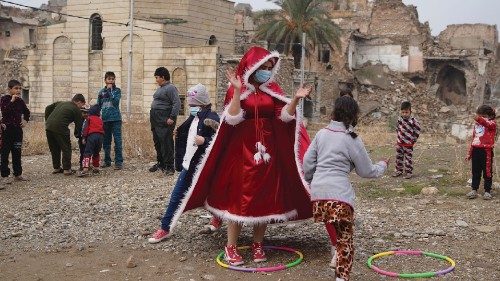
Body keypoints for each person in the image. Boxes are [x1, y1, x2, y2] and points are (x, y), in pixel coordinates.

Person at [165, 46, 313, 266]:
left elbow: (284, 117)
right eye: (264, 67)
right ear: (253, 67)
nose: (268, 71)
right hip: (242, 152)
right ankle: (231, 247)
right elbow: (232, 118)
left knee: (265, 198)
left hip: (267, 153)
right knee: (238, 198)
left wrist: (295, 100)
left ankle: (257, 244)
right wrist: (235, 91)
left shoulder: (271, 88)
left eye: (270, 68)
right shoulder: (237, 88)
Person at [303, 96, 388, 281]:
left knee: (334, 227)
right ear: (353, 115)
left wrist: (312, 181)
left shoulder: (321, 134)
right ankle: (341, 277)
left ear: (335, 111)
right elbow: (366, 171)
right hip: (340, 197)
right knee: (345, 240)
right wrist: (382, 165)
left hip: (318, 195)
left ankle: (336, 258)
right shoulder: (352, 139)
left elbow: (307, 164)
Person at [148, 83, 220, 243]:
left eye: (193, 105)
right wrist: (180, 132)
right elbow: (189, 130)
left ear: (202, 103)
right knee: (177, 196)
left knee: (211, 195)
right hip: (189, 164)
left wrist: (205, 140)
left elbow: (220, 141)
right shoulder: (195, 116)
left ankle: (216, 219)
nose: (191, 108)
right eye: (190, 105)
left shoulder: (212, 118)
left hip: (203, 166)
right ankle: (165, 227)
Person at [149, 67, 181, 176]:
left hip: (164, 118)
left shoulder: (171, 88)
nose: (156, 80)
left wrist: (172, 117)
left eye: (157, 77)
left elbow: (177, 103)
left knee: (166, 142)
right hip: (155, 118)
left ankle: (169, 166)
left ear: (163, 77)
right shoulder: (161, 88)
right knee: (157, 141)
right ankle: (161, 163)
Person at [45, 94, 86, 175]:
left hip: (49, 126)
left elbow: (48, 108)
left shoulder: (62, 103)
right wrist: (81, 136)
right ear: (78, 102)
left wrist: (47, 119)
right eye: (82, 104)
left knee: (54, 148)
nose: (82, 107)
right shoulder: (76, 109)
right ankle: (67, 169)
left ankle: (56, 168)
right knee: (66, 147)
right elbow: (80, 126)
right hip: (61, 127)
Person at [0, 79, 30, 184]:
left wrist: (25, 120)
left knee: (17, 152)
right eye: (16, 88)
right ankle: (4, 175)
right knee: (4, 154)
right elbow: (4, 111)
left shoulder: (21, 101)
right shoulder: (4, 99)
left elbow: (27, 112)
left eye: (20, 88)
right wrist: (11, 101)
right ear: (9, 89)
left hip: (17, 131)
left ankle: (18, 174)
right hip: (6, 131)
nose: (18, 90)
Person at [466, 105, 497, 200]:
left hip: (486, 151)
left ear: (489, 116)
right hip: (476, 150)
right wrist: (469, 153)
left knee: (487, 172)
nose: (480, 118)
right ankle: (474, 189)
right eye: (479, 116)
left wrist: (479, 119)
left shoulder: (492, 124)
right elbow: (474, 140)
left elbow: (487, 123)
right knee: (475, 171)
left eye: (482, 116)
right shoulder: (477, 126)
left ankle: (487, 191)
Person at [97, 71, 123, 170]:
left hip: (116, 119)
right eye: (109, 79)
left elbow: (116, 102)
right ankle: (107, 161)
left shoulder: (117, 91)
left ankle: (118, 162)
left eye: (113, 79)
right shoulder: (101, 92)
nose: (111, 81)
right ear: (105, 80)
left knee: (117, 141)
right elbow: (99, 106)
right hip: (105, 120)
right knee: (106, 141)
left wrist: (110, 91)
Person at [392, 101, 420, 179]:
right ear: (401, 111)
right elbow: (397, 128)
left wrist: (413, 140)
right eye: (403, 112)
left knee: (408, 159)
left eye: (406, 112)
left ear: (410, 112)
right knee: (399, 157)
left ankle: (408, 172)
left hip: (408, 144)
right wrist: (399, 138)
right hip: (400, 143)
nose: (404, 114)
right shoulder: (400, 120)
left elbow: (417, 130)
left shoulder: (413, 121)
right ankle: (398, 171)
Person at [78, 104, 104, 177]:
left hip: (92, 136)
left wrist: (83, 137)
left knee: (87, 152)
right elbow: (103, 128)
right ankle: (96, 167)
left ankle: (85, 168)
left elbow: (85, 129)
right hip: (100, 136)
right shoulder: (100, 119)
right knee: (96, 152)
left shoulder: (89, 119)